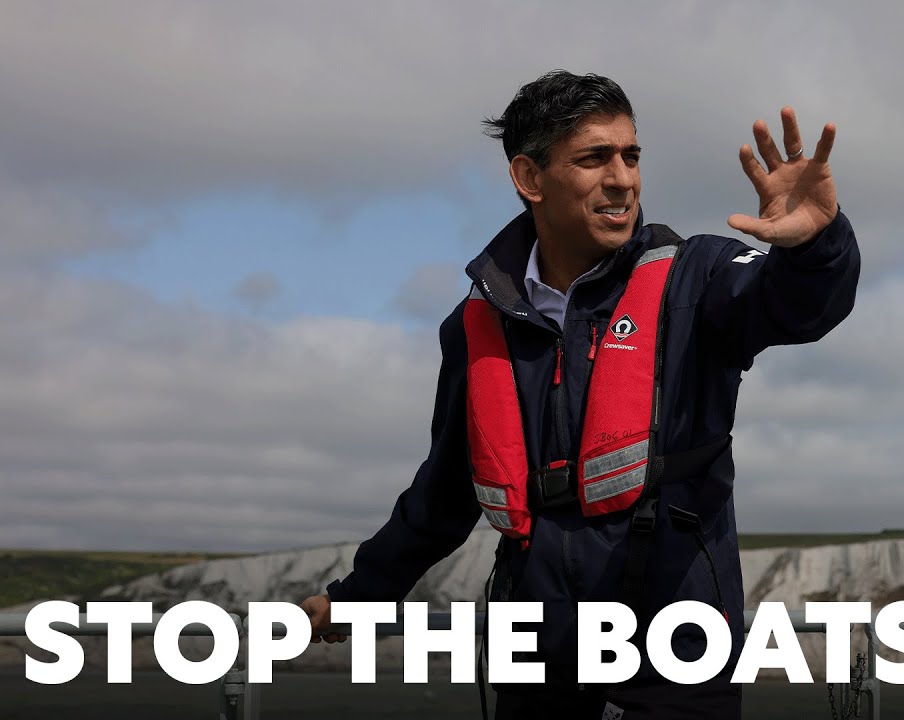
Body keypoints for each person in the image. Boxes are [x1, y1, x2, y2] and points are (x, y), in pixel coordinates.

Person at [299, 69, 860, 719]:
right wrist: (360, 597)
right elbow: (444, 492)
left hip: (673, 664)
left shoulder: (697, 278)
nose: (622, 178)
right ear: (529, 179)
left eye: (631, 155)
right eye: (594, 158)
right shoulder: (476, 326)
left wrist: (817, 245)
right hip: (537, 664)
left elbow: (798, 307)